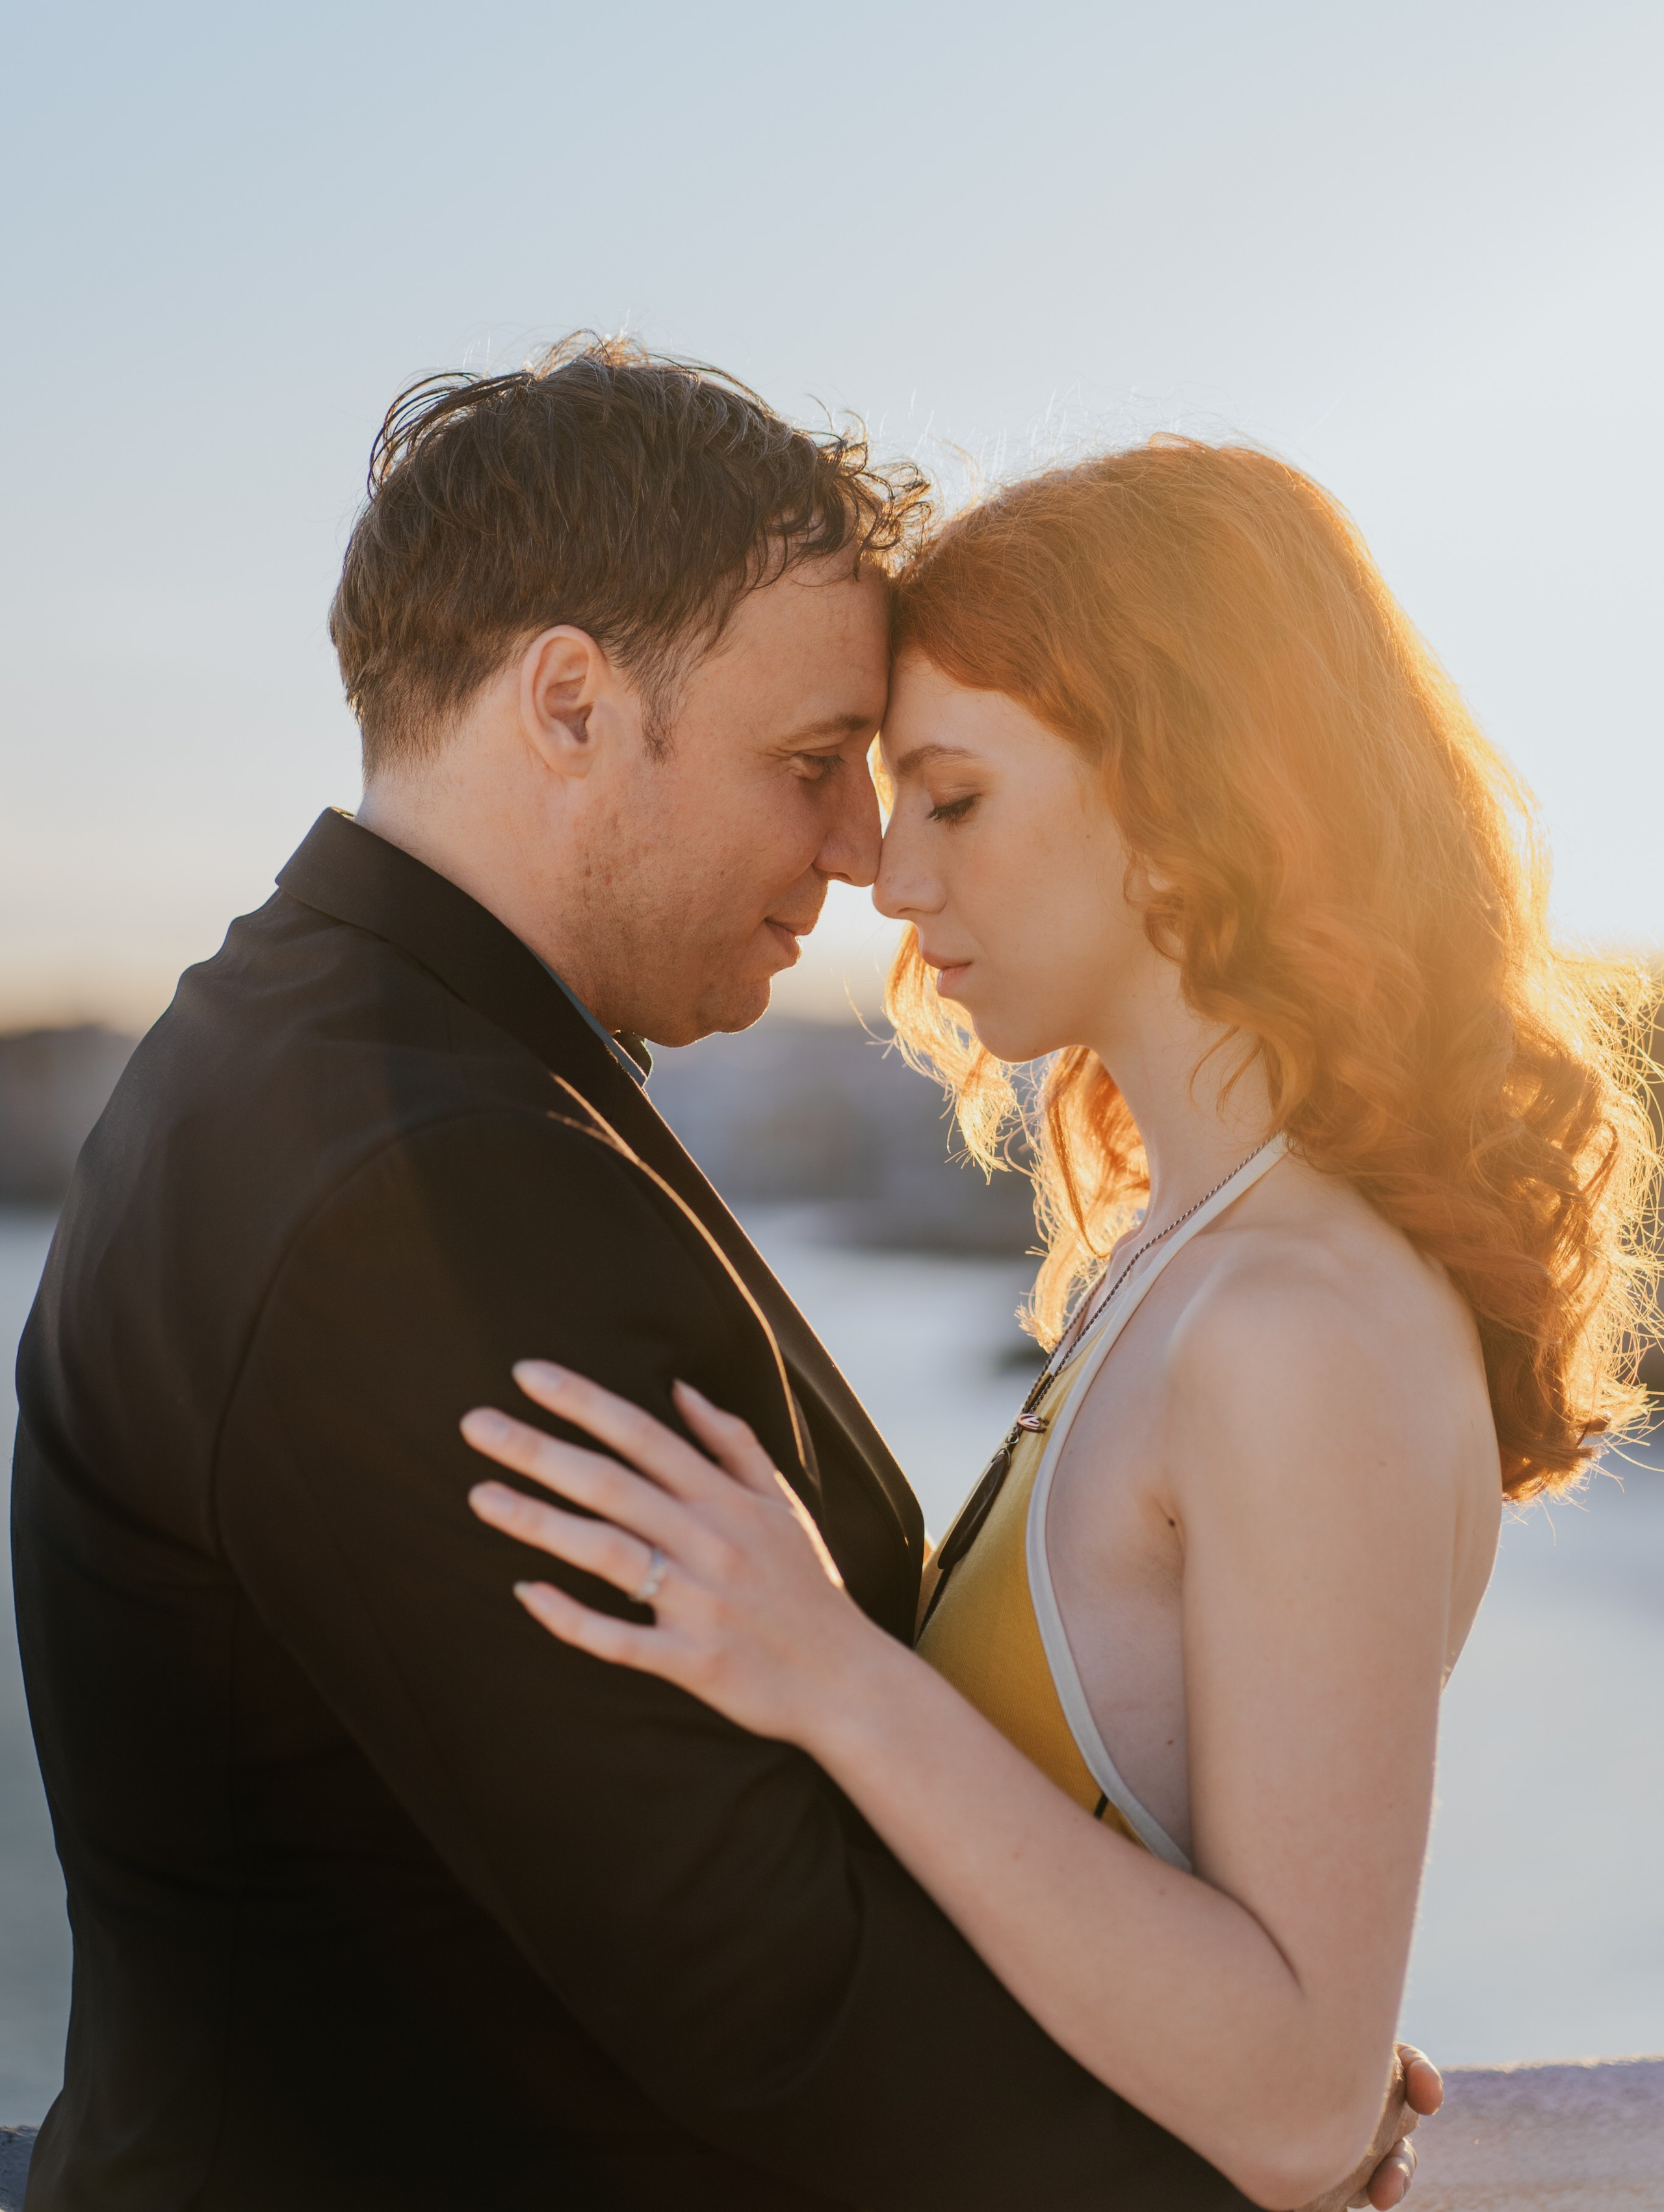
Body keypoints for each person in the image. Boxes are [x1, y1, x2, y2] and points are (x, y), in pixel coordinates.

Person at [12, 342, 1435, 2211]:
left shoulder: (313, 1049)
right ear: (573, 706)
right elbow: (767, 1989)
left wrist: (1212, 2034)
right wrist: (1248, 2139)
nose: (859, 857)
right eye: (810, 766)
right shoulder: (417, 1186)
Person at [461, 437, 1658, 2205]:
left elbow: (1300, 2107)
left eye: (954, 795)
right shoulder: (1188, 1258)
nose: (888, 872)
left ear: (1189, 799)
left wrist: (827, 1671)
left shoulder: (1288, 1329)